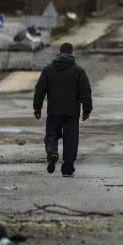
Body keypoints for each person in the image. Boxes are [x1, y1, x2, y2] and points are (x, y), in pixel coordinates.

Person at [33, 42, 93, 178]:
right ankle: (67, 169)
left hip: (54, 112)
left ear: (59, 53)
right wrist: (87, 111)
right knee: (71, 140)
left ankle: (52, 152)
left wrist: (37, 107)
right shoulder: (78, 71)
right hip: (72, 114)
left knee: (51, 135)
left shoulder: (48, 70)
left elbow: (40, 91)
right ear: (71, 53)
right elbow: (86, 93)